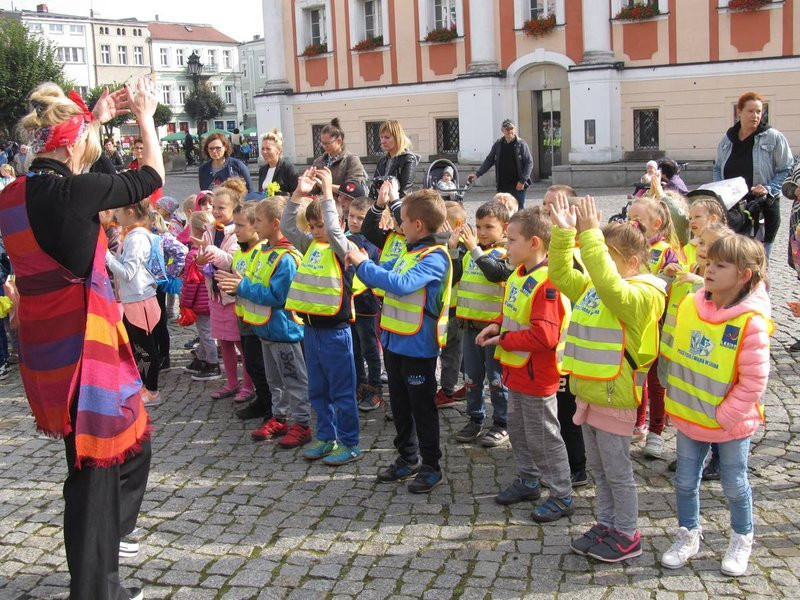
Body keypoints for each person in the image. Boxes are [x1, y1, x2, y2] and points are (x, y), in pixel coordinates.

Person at [0, 78, 163, 600]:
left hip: (45, 344)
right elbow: (150, 178)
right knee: (96, 464)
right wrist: (145, 117)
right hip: (84, 342)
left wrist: (94, 120)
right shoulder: (76, 192)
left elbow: (100, 179)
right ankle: (96, 588)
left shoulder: (12, 196)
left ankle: (106, 539)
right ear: (73, 147)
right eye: (87, 147)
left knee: (131, 443)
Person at [549, 195, 666, 563]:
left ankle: (628, 533)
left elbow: (612, 287)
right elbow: (561, 275)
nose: (596, 265)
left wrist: (590, 236)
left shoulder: (644, 294)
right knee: (599, 469)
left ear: (631, 262)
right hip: (589, 394)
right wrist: (565, 235)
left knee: (617, 472)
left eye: (604, 257)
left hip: (616, 397)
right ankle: (606, 523)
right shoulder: (596, 288)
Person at [660, 235, 771, 577]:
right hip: (690, 415)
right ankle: (688, 533)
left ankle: (741, 538)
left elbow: (753, 382)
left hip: (730, 423)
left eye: (720, 265)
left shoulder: (750, 322)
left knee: (734, 484)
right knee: (684, 482)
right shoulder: (691, 304)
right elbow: (676, 352)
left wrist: (724, 416)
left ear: (744, 276)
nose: (708, 270)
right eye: (708, 262)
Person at [348, 188, 452, 494]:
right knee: (401, 405)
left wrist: (363, 264)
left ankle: (431, 466)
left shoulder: (436, 257)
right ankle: (408, 457)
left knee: (422, 409)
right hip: (394, 342)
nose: (398, 225)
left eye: (402, 220)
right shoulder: (409, 253)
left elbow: (401, 284)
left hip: (418, 347)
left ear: (418, 225)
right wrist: (362, 262)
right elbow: (383, 272)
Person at [476, 206, 574, 521]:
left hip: (538, 376)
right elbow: (512, 310)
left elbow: (545, 336)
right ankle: (528, 480)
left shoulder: (548, 283)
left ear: (534, 243)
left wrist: (503, 339)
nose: (506, 246)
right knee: (518, 431)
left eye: (512, 240)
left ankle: (562, 494)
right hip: (517, 372)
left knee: (543, 437)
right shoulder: (518, 274)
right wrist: (496, 324)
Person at [284, 167, 362, 465]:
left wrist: (328, 193)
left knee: (342, 392)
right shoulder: (311, 245)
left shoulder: (345, 248)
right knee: (318, 391)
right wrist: (297, 194)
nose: (318, 231)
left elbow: (334, 231)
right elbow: (289, 228)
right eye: (314, 226)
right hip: (312, 330)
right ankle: (327, 438)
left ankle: (349, 443)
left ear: (338, 223)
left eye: (322, 225)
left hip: (336, 332)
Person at [226, 197, 311, 442]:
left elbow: (277, 296)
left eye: (258, 221)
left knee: (293, 379)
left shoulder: (286, 258)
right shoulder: (265, 251)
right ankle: (279, 418)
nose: (254, 225)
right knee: (274, 380)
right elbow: (256, 280)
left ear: (275, 224)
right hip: (265, 329)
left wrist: (242, 287)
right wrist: (239, 283)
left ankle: (302, 424)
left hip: (284, 331)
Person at [627, 195, 683, 459]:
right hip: (635, 324)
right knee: (636, 376)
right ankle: (638, 422)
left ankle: (656, 432)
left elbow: (674, 286)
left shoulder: (666, 251)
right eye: (629, 219)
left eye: (638, 219)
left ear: (656, 223)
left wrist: (668, 275)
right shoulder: (628, 247)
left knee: (657, 381)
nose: (632, 224)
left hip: (658, 325)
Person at [452, 201, 510, 446]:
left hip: (493, 330)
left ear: (505, 227)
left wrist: (474, 248)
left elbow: (495, 273)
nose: (482, 232)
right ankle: (475, 418)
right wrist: (453, 250)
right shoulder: (470, 252)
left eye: (489, 227)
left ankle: (502, 422)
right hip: (469, 327)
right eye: (478, 226)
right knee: (472, 377)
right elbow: (454, 277)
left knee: (497, 379)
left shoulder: (507, 253)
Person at [193, 179, 254, 402]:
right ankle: (231, 382)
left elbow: (232, 261)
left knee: (239, 343)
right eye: (214, 206)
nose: (216, 211)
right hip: (216, 294)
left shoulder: (236, 232)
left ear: (233, 209)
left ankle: (248, 384)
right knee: (223, 341)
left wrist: (210, 252)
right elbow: (203, 262)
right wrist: (200, 260)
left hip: (232, 296)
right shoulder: (210, 230)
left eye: (221, 207)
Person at [712, 91, 792, 259]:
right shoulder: (727, 139)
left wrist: (768, 188)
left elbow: (787, 168)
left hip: (763, 206)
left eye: (759, 111)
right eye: (750, 111)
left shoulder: (773, 137)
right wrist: (720, 191)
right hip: (733, 209)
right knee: (733, 257)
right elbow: (717, 168)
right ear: (739, 112)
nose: (755, 116)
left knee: (759, 261)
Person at [214, 203, 275, 422]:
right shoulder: (240, 252)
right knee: (251, 362)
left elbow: (259, 283)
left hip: (259, 318)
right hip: (242, 315)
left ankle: (271, 407)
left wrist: (240, 285)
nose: (236, 230)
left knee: (260, 365)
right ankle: (262, 400)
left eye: (241, 225)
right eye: (236, 225)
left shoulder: (263, 251)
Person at [106, 199, 163, 405]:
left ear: (130, 212)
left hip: (141, 299)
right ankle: (143, 386)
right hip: (133, 299)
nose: (115, 213)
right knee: (137, 347)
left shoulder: (137, 238)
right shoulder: (131, 235)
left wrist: (106, 256)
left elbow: (128, 272)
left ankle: (153, 391)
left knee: (147, 349)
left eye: (118, 209)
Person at [346, 195, 383, 411]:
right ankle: (359, 384)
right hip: (348, 303)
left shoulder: (370, 241)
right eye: (351, 216)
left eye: (360, 218)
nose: (354, 221)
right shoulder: (345, 236)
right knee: (354, 348)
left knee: (369, 347)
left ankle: (375, 387)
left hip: (366, 304)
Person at [181, 211, 217, 377]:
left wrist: (185, 304)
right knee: (206, 331)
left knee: (205, 332)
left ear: (193, 231)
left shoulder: (193, 255)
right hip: (213, 298)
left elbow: (191, 283)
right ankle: (201, 358)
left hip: (199, 302)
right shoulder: (214, 251)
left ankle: (212, 363)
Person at [468, 119, 533, 209]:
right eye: (507, 129)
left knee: (518, 210)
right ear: (502, 130)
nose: (509, 131)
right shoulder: (498, 144)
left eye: (511, 129)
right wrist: (477, 174)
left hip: (517, 185)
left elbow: (529, 163)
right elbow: (489, 160)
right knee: (502, 210)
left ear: (515, 130)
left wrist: (522, 181)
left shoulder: (521, 144)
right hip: (502, 184)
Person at [312, 118, 367, 195]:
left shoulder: (351, 160)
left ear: (339, 141)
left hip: (341, 202)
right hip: (322, 201)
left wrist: (326, 186)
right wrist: (309, 183)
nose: (324, 146)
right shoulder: (318, 161)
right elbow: (314, 191)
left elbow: (352, 189)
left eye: (328, 143)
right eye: (322, 143)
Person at [369, 120, 419, 200]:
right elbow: (373, 189)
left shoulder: (408, 158)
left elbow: (405, 192)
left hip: (398, 204)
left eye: (387, 137)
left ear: (397, 138)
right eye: (381, 137)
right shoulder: (382, 161)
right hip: (380, 204)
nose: (382, 141)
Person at [257, 129, 298, 196]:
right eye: (263, 148)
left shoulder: (288, 168)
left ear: (279, 150)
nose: (264, 152)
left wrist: (278, 194)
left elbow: (296, 194)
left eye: (268, 149)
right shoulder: (262, 170)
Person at [128, 137, 163, 204]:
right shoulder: (132, 166)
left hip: (154, 199)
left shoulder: (153, 165)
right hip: (139, 200)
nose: (139, 150)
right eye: (136, 148)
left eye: (141, 148)